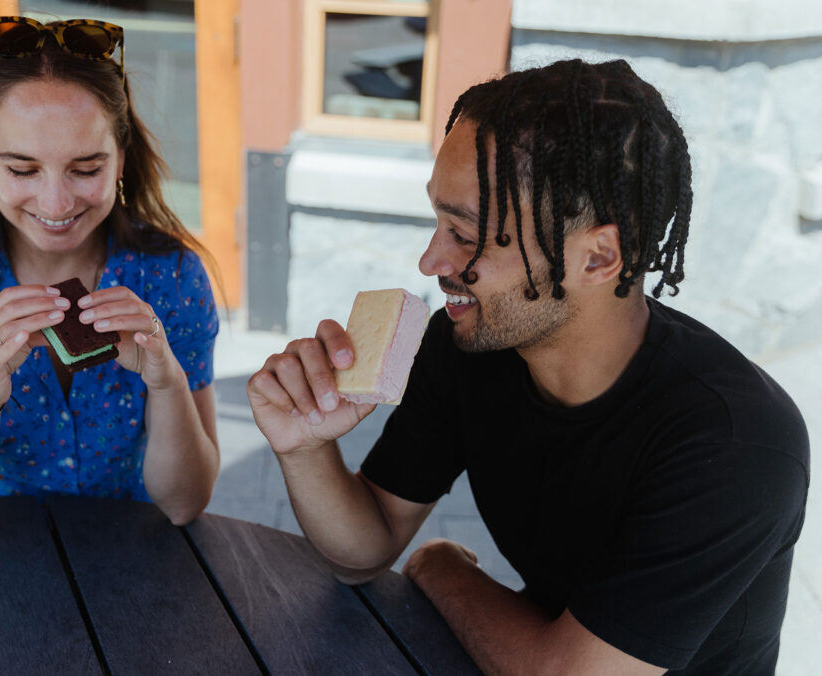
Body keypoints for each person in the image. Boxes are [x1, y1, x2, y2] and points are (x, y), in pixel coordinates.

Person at [248, 58, 809, 674]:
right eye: (438, 221)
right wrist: (304, 448)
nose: (431, 260)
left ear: (597, 258)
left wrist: (440, 566)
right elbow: (364, 548)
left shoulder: (736, 441)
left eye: (466, 234)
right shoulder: (469, 345)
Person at [0, 17, 220, 547]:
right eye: (22, 169)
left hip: (129, 559)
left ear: (121, 156)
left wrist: (167, 383)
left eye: (85, 168)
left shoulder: (173, 277)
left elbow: (184, 505)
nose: (57, 204)